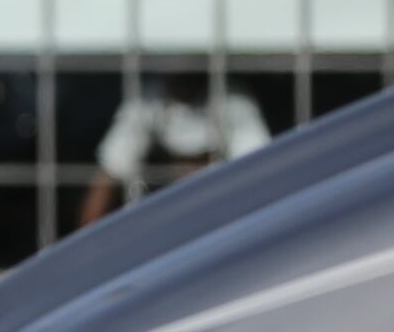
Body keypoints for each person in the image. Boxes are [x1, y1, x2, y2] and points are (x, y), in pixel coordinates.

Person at [76, 70, 274, 229]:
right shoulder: (147, 99)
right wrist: (88, 246)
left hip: (219, 216)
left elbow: (258, 171)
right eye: (181, 161)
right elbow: (109, 174)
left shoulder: (233, 99)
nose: (187, 174)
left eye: (199, 160)